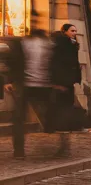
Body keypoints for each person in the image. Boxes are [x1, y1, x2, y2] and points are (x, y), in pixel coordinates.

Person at [2, 22, 54, 159]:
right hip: (31, 85)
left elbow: (13, 61)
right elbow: (14, 62)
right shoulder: (37, 44)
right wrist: (10, 81)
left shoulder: (44, 44)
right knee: (20, 118)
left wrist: (9, 81)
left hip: (37, 85)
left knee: (22, 118)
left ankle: (21, 150)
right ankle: (19, 150)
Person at [49, 23, 83, 154]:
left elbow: (73, 63)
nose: (74, 33)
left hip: (66, 83)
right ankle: (64, 142)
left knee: (64, 111)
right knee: (63, 111)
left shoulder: (72, 45)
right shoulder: (65, 45)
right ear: (64, 32)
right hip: (63, 83)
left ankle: (64, 143)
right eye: (72, 30)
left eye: (75, 31)